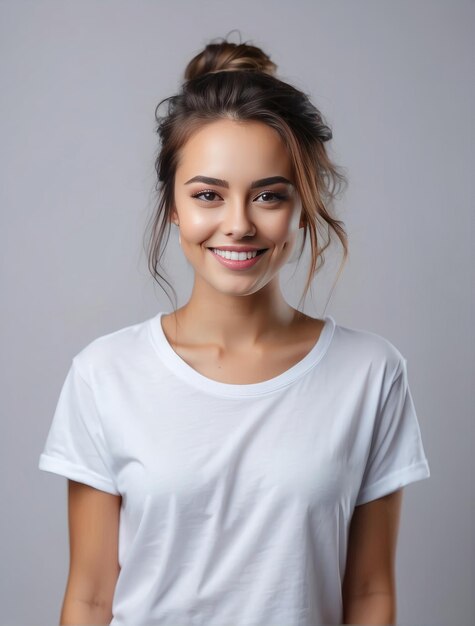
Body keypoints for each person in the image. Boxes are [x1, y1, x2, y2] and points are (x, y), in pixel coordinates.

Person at [38, 36, 431, 626]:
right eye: (208, 196)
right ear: (173, 205)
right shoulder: (104, 374)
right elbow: (91, 597)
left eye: (269, 195)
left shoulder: (370, 374)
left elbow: (371, 591)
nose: (239, 224)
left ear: (303, 206)